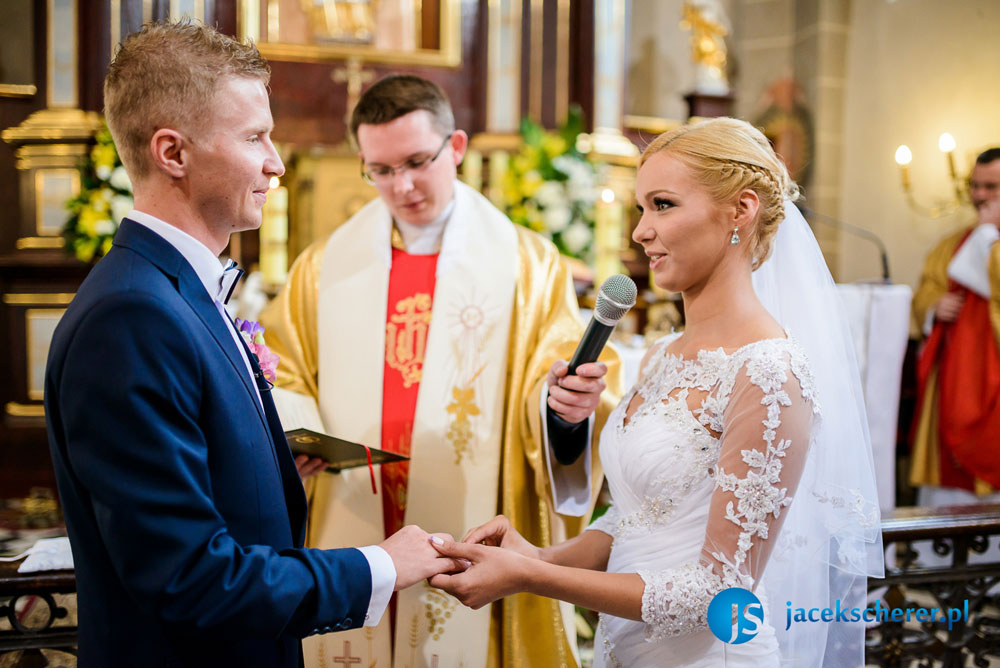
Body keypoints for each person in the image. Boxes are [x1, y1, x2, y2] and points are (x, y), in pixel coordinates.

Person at [44, 22, 458, 668]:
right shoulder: (131, 317)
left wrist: (261, 474)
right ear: (172, 153)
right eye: (254, 137)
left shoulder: (174, 291)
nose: (276, 163)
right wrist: (378, 565)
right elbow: (187, 577)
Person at [428, 118, 883, 667]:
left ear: (741, 210)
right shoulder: (665, 355)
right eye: (642, 208)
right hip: (626, 650)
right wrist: (541, 553)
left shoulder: (769, 374)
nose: (640, 231)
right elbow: (636, 517)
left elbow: (720, 593)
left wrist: (534, 576)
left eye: (662, 205)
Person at [259, 74, 622, 667]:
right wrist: (298, 435)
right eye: (379, 169)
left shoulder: (527, 267)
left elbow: (548, 387)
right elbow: (284, 372)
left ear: (455, 147)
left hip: (470, 519)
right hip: (356, 513)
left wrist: (562, 409)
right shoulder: (322, 269)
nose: (400, 185)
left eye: (416, 162)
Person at [910, 148, 1000, 505]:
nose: (978, 195)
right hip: (955, 379)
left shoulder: (980, 237)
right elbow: (927, 288)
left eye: (991, 186)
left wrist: (988, 240)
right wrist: (932, 307)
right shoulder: (953, 243)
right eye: (974, 185)